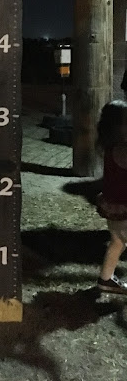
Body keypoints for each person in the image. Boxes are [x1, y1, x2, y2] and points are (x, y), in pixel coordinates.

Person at [96, 100, 127, 293]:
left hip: (112, 203)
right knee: (120, 241)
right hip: (123, 206)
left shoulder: (109, 145)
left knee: (117, 241)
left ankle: (105, 279)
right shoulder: (123, 149)